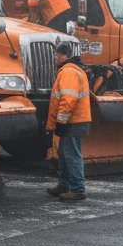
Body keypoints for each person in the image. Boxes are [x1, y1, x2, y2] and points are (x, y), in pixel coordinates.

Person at [46, 41, 91, 202]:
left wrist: (60, 121)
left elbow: (68, 99)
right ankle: (64, 185)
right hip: (75, 121)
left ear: (63, 55)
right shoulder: (74, 71)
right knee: (65, 155)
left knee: (72, 155)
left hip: (72, 122)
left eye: (56, 55)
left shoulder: (68, 72)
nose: (54, 58)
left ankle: (78, 189)